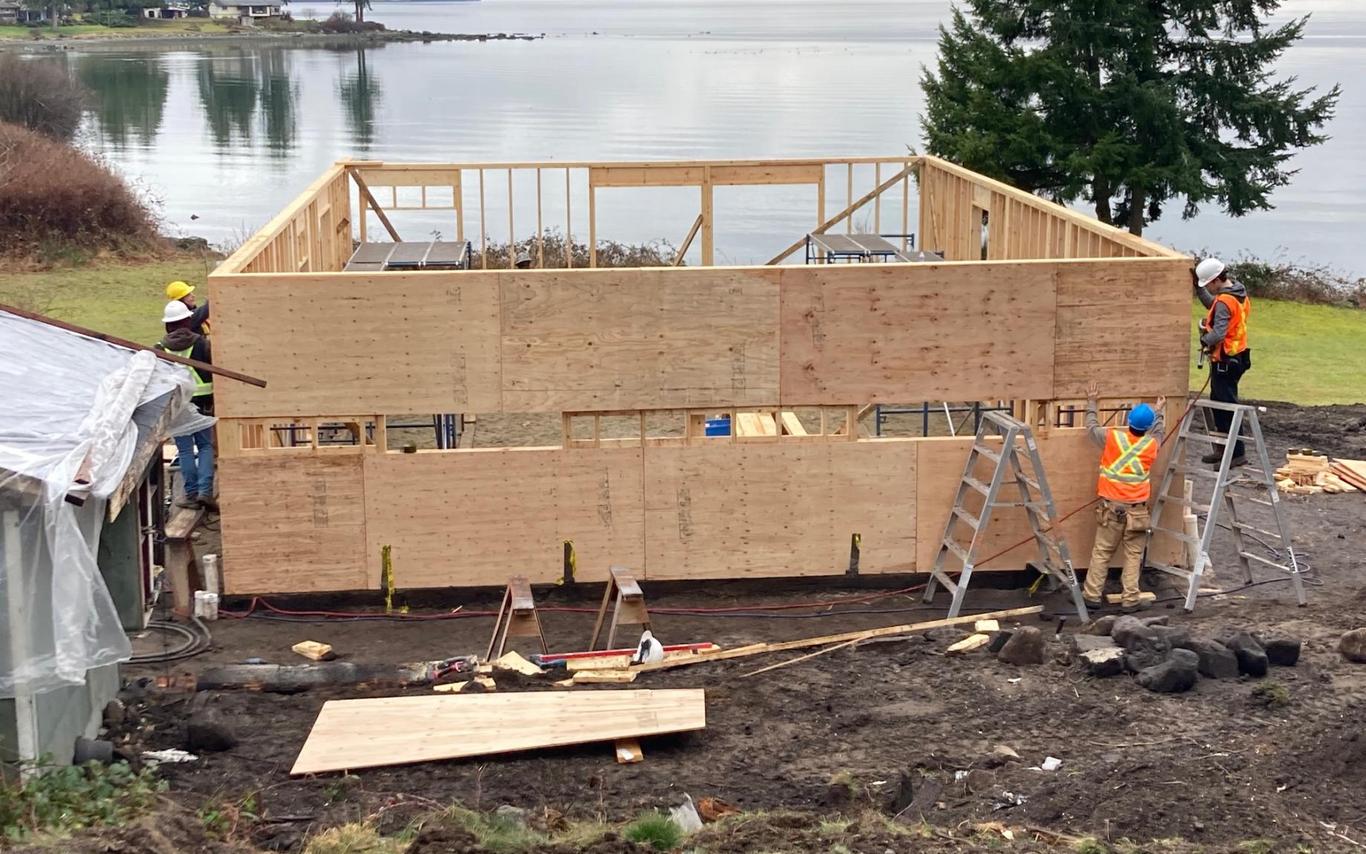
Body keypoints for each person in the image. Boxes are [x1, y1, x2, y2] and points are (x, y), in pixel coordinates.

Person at [1081, 383, 1166, 612]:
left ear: (1128, 420)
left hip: (1112, 509)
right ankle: (1130, 599)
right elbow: (1159, 431)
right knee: (1133, 555)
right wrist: (1159, 411)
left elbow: (1090, 428)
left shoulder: (1112, 438)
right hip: (1137, 511)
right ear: (1146, 427)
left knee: (1102, 552)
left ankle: (1091, 596)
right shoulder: (1151, 445)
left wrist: (1092, 402)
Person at [156, 300, 218, 512]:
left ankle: (191, 494)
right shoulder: (202, 344)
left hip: (178, 404)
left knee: (185, 450)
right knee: (206, 446)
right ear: (187, 321)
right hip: (204, 402)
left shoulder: (160, 348)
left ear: (168, 325)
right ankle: (205, 492)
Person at [1193, 257, 1251, 466]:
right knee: (1219, 404)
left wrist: (1204, 340)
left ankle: (1236, 453)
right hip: (1236, 357)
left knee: (1227, 406)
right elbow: (1215, 307)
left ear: (1217, 279)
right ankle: (1222, 447)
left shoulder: (1226, 301)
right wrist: (1199, 290)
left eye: (1208, 284)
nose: (1208, 287)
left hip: (1227, 360)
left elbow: (1218, 332)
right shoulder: (1237, 293)